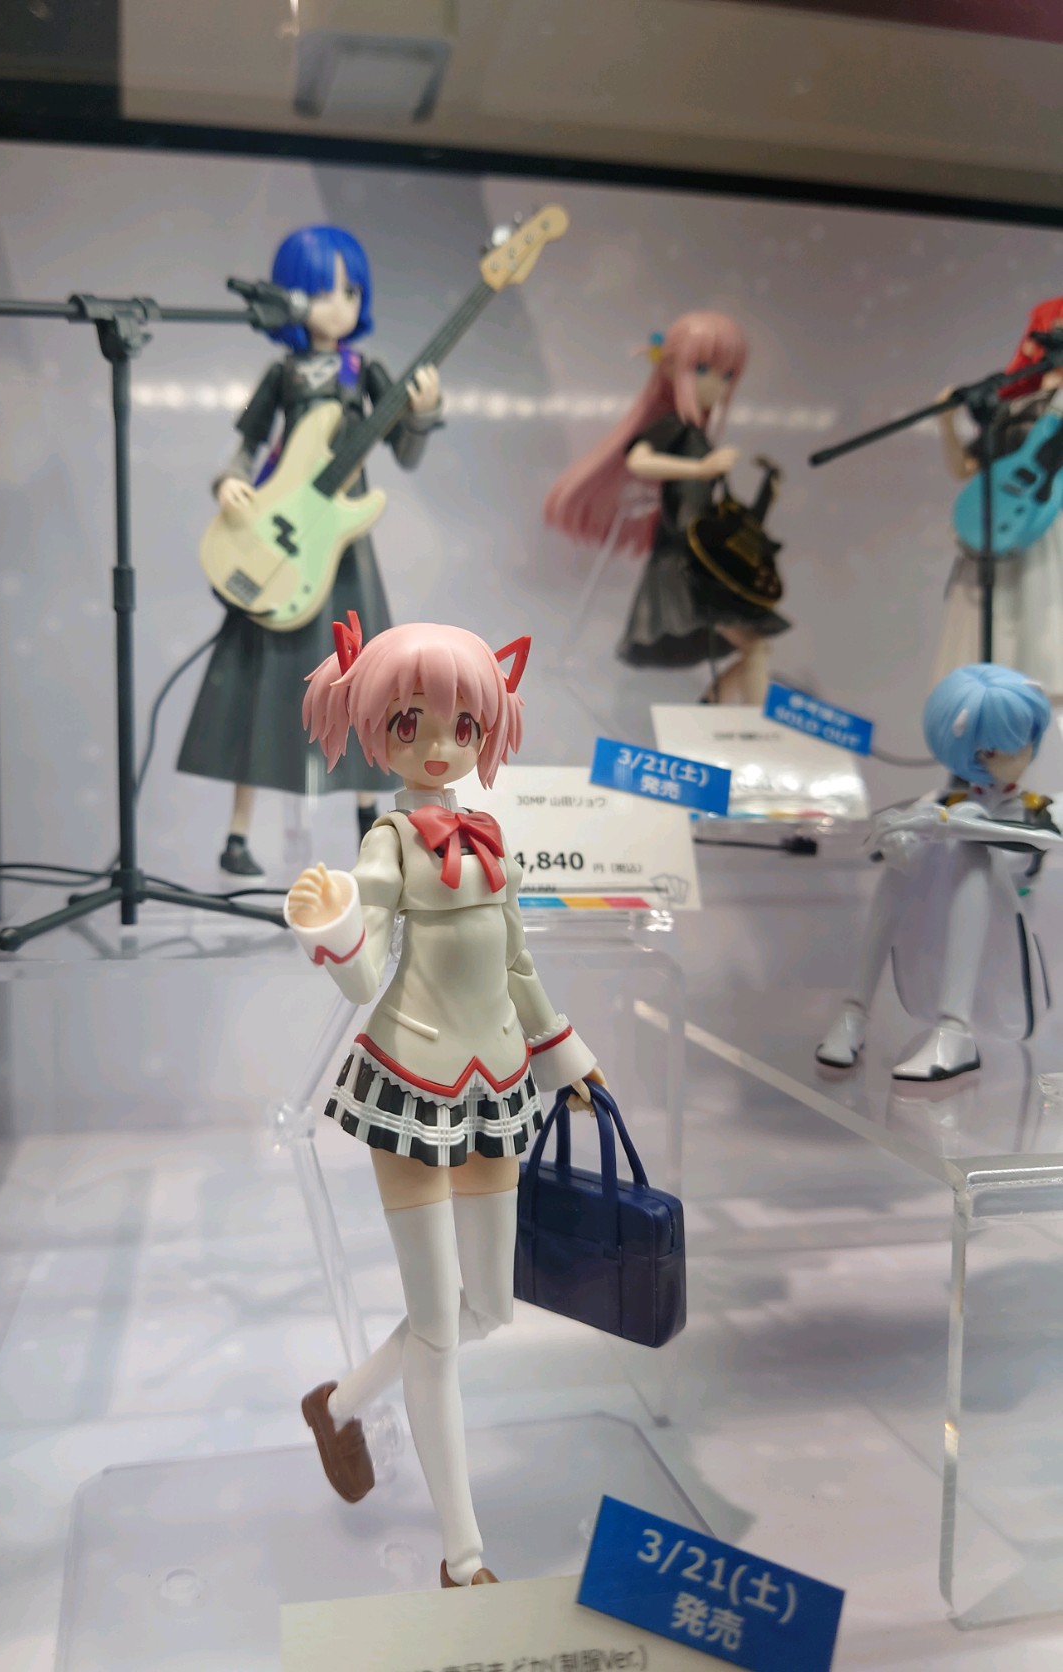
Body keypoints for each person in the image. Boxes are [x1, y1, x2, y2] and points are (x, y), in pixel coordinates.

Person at [284, 616, 606, 1587]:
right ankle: (464, 1555)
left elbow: (518, 962)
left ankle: (339, 1404)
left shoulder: (491, 836)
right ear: (374, 727)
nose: (438, 745)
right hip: (411, 1084)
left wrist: (565, 1054)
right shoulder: (388, 843)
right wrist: (335, 927)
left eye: (463, 725)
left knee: (489, 1309)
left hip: (497, 1082)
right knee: (435, 1327)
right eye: (411, 722)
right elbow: (365, 975)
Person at [177, 225, 442, 875]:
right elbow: (244, 446)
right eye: (323, 291)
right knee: (259, 683)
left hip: (342, 547)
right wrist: (229, 481)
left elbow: (406, 454)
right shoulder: (284, 374)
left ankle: (370, 826)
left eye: (351, 292)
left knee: (361, 684)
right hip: (281, 538)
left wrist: (421, 412)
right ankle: (238, 835)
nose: (339, 305)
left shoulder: (365, 372)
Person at [816, 663, 1057, 1082]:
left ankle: (954, 1031)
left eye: (1022, 740)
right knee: (902, 865)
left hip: (1006, 948)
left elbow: (1040, 840)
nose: (1014, 757)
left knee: (970, 841)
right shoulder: (942, 800)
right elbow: (883, 841)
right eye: (993, 750)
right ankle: (855, 1011)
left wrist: (953, 825)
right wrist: (899, 841)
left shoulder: (1040, 807)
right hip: (939, 938)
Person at [544, 311, 788, 704]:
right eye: (704, 369)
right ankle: (741, 723)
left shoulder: (696, 434)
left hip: (698, 558)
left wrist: (763, 496)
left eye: (727, 375)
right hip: (682, 563)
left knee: (756, 646)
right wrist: (700, 468)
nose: (717, 384)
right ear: (673, 367)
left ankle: (715, 713)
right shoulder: (674, 426)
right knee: (755, 646)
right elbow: (639, 460)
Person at [933, 295, 1063, 697]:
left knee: (1045, 653)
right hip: (1000, 527)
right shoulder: (1012, 406)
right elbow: (966, 469)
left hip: (1047, 530)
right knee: (989, 656)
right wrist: (946, 424)